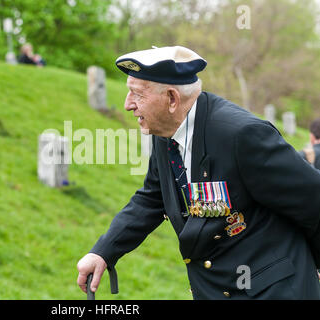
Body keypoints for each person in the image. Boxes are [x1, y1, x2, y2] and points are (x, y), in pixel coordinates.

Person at [76, 46, 320, 300]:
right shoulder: (165, 132)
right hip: (214, 290)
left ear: (172, 99)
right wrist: (103, 252)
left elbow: (313, 199)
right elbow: (152, 197)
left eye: (136, 94)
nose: (128, 105)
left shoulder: (241, 135)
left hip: (274, 291)